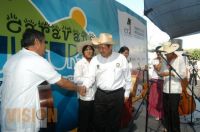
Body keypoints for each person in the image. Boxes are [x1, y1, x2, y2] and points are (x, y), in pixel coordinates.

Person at [0, 29, 86, 132]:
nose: (45, 47)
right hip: (22, 121)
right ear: (37, 42)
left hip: (6, 116)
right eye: (44, 42)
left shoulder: (12, 59)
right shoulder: (36, 60)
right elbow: (62, 82)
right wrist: (78, 88)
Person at [83, 33, 132, 132]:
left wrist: (126, 93)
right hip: (100, 95)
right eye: (99, 47)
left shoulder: (121, 58)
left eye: (103, 48)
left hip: (117, 94)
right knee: (98, 121)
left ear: (110, 47)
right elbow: (90, 77)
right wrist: (84, 87)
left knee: (114, 122)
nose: (101, 50)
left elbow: (127, 78)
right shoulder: (95, 60)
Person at [158, 41, 186, 132]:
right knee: (166, 111)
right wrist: (161, 74)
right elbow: (161, 72)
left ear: (171, 52)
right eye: (165, 53)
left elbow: (183, 74)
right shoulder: (164, 59)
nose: (165, 55)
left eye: (167, 53)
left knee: (173, 112)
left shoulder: (180, 58)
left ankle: (176, 130)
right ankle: (168, 128)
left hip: (175, 90)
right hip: (165, 88)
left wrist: (170, 73)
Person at [74, 40, 96, 132]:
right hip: (84, 96)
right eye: (86, 49)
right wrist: (90, 79)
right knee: (84, 122)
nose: (89, 51)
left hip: (95, 96)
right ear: (83, 52)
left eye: (91, 49)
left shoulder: (95, 63)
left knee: (93, 121)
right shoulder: (79, 63)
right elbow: (76, 79)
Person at [148, 46, 164, 121]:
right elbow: (158, 69)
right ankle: (157, 114)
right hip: (155, 80)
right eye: (157, 52)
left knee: (162, 98)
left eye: (160, 52)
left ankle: (162, 114)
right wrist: (161, 61)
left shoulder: (166, 60)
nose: (159, 53)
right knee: (156, 98)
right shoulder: (155, 60)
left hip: (163, 81)